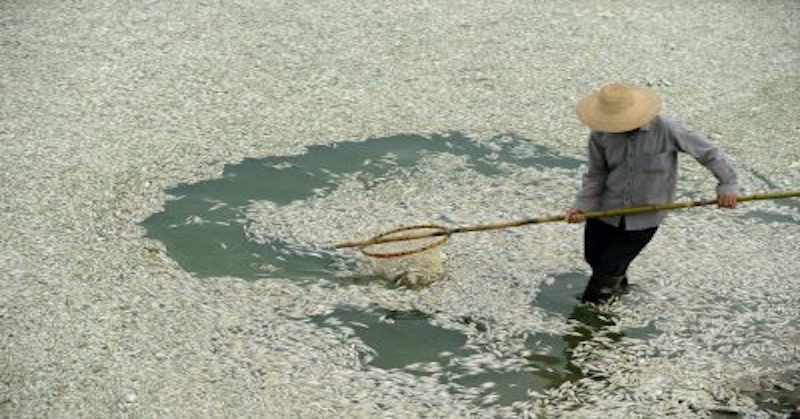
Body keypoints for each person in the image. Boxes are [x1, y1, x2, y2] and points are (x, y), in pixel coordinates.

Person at [566, 83, 738, 303]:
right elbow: (596, 174)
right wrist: (582, 207)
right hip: (605, 210)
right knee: (594, 258)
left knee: (608, 268)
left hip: (645, 215)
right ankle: (621, 291)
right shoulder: (600, 134)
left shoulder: (668, 128)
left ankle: (592, 311)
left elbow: (709, 153)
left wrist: (727, 184)